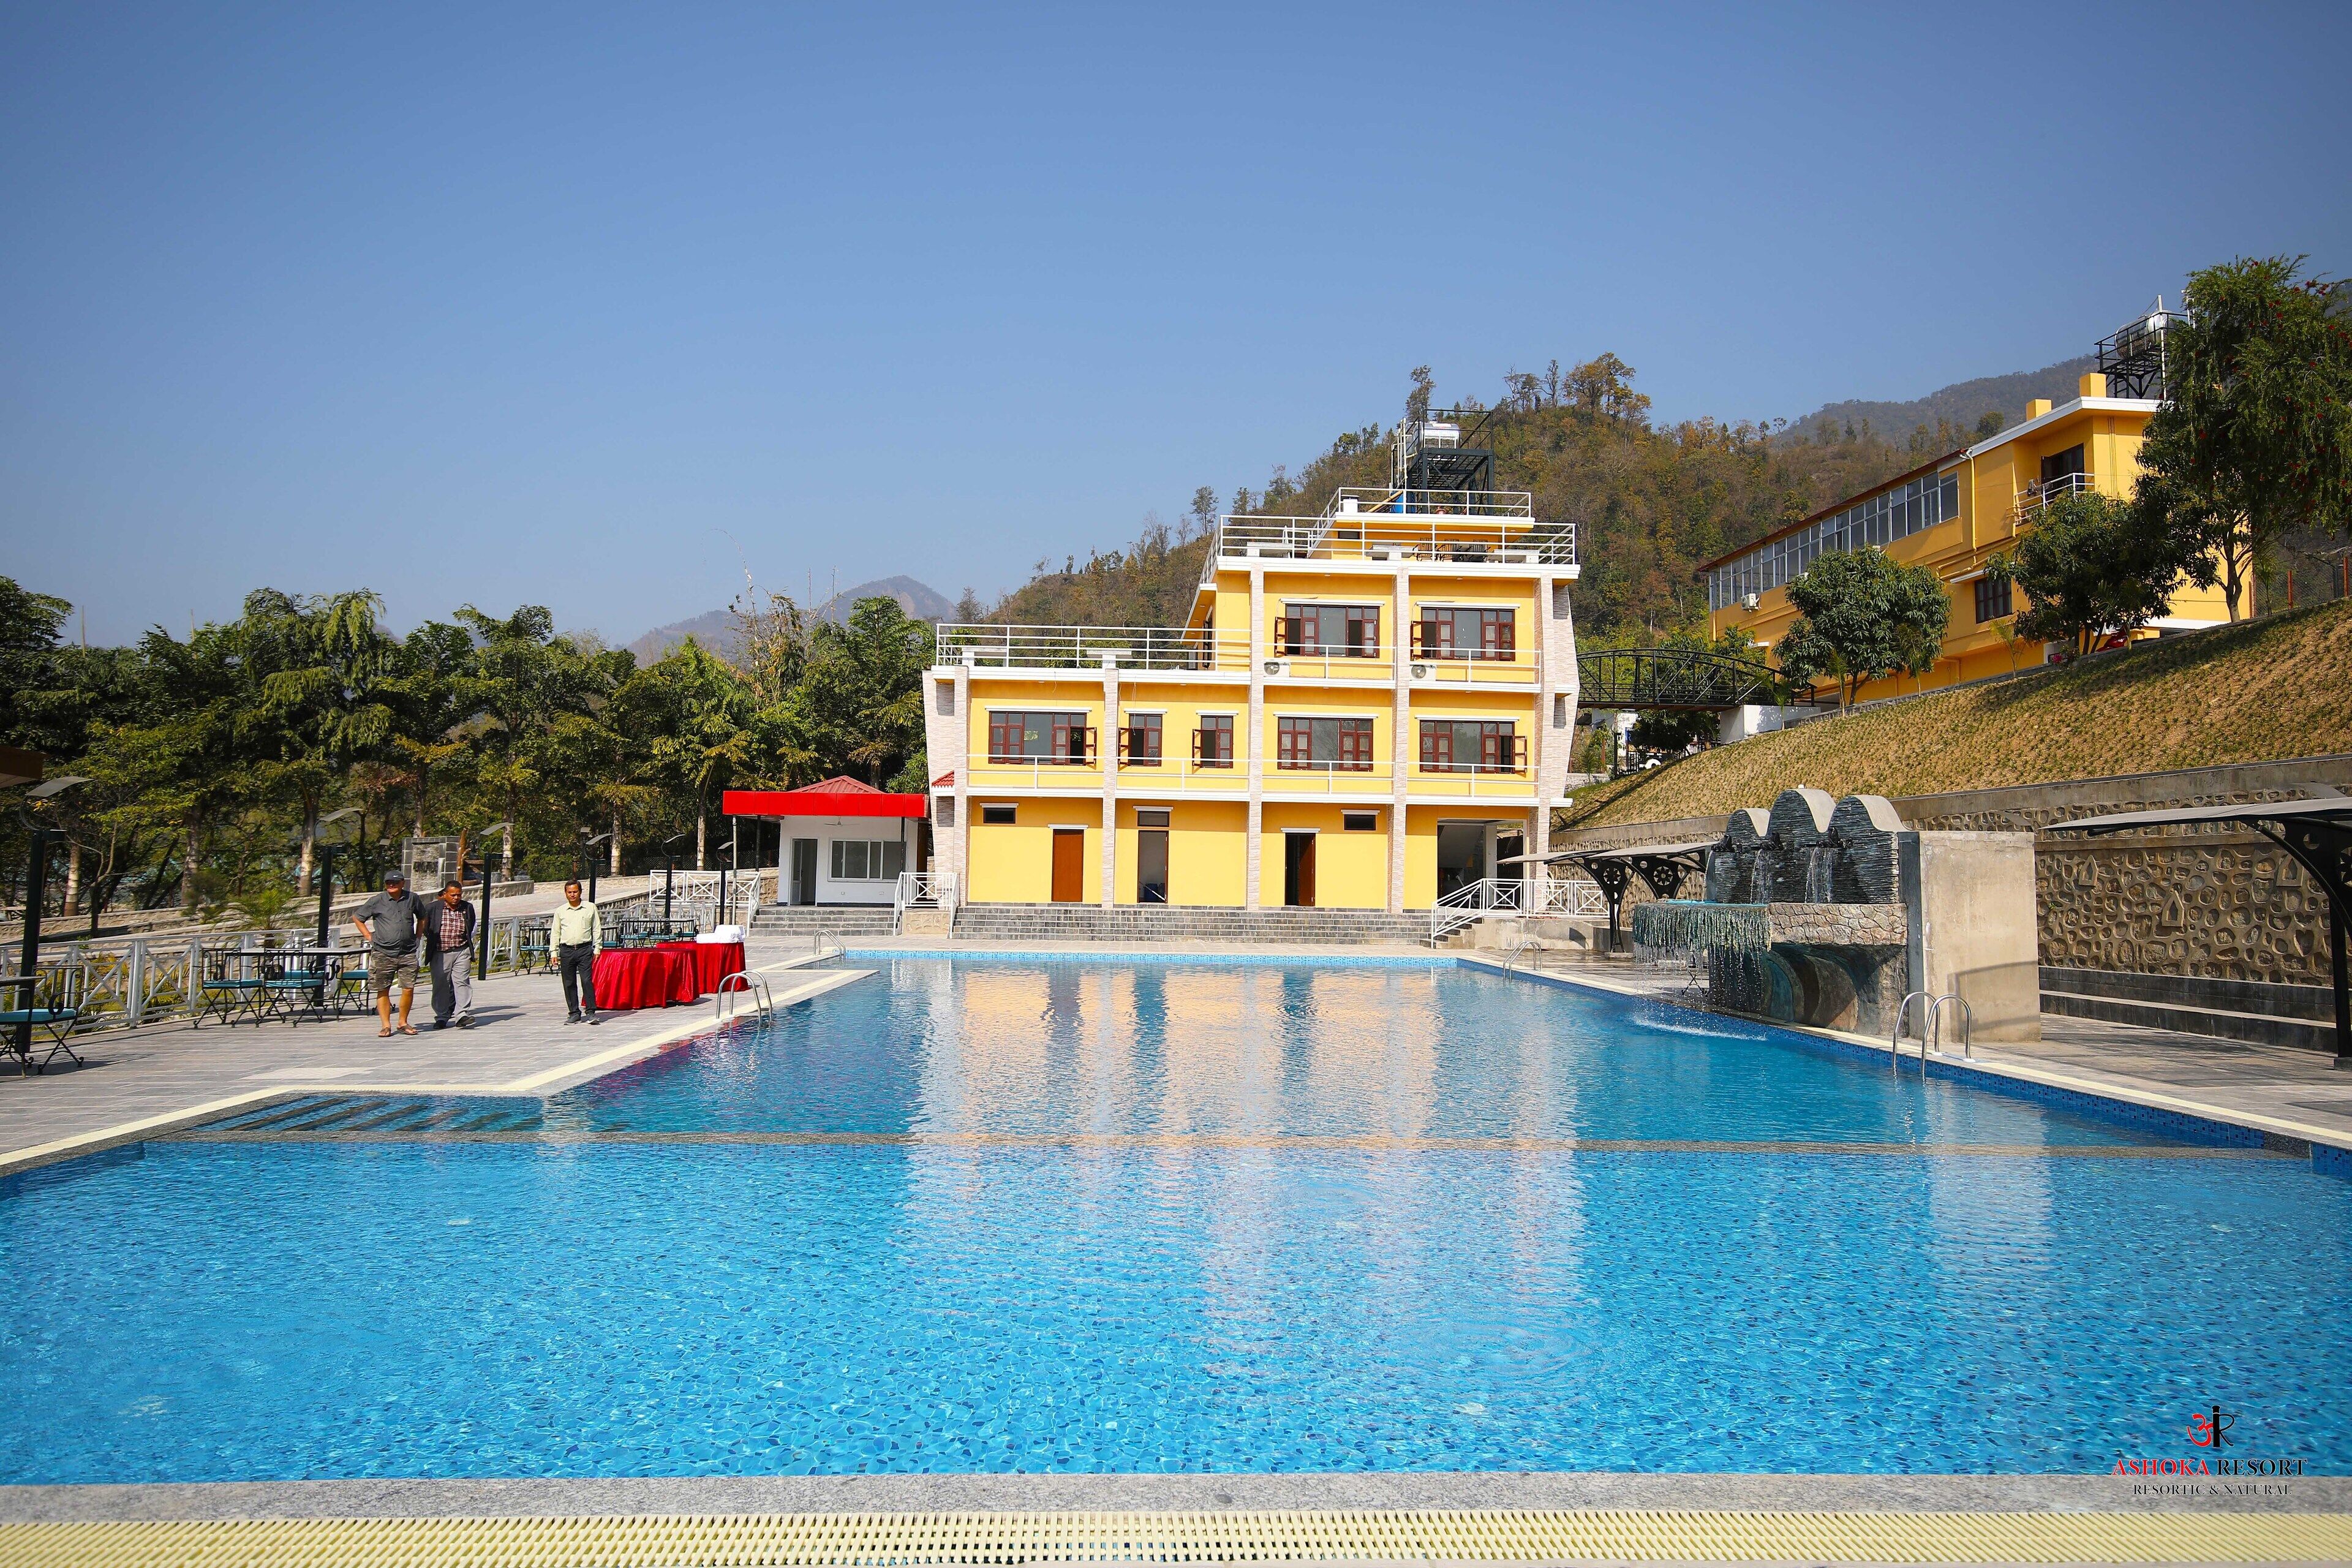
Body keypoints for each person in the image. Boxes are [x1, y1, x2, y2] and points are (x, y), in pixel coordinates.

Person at [350, 869, 427, 1037]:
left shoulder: (412, 898)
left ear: (402, 883)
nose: (391, 885)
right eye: (388, 883)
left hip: (407, 952)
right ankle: (386, 1025)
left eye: (395, 882)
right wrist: (368, 936)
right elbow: (358, 917)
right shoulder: (377, 901)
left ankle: (403, 1022)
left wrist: (418, 936)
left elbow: (422, 916)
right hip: (383, 952)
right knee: (382, 988)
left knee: (408, 988)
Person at [424, 876, 479, 1030]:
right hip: (440, 952)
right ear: (445, 895)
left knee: (462, 982)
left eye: (459, 895)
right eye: (453, 895)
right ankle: (441, 1016)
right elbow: (425, 927)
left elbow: (472, 926)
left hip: (461, 950)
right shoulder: (433, 908)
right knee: (441, 984)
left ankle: (462, 1015)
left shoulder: (467, 907)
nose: (456, 898)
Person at [552, 878, 601, 1025]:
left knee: (586, 980)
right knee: (569, 982)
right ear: (566, 894)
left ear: (580, 892)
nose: (572, 895)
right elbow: (556, 932)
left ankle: (591, 1012)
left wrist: (598, 947)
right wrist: (553, 952)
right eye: (569, 892)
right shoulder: (561, 911)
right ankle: (574, 1013)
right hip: (566, 950)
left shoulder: (590, 908)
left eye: (575, 892)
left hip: (584, 950)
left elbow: (596, 929)